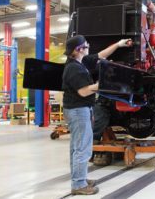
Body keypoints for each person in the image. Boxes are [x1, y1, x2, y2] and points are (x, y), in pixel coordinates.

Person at [62, 35, 131, 195]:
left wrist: (118, 45)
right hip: (78, 111)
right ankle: (78, 184)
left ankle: (80, 178)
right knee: (83, 148)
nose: (88, 47)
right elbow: (83, 91)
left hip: (80, 109)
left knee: (77, 147)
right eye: (86, 45)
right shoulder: (74, 68)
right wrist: (102, 85)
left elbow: (101, 55)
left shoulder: (81, 62)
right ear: (78, 49)